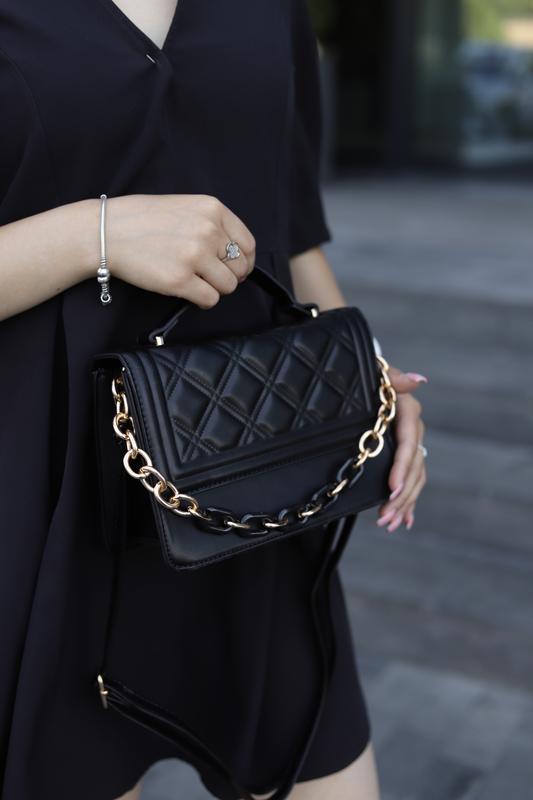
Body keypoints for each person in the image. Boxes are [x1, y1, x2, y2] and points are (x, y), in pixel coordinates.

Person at [0, 1, 427, 798]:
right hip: (33, 499)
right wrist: (92, 236)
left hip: (247, 474)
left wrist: (364, 371)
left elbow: (289, 226)